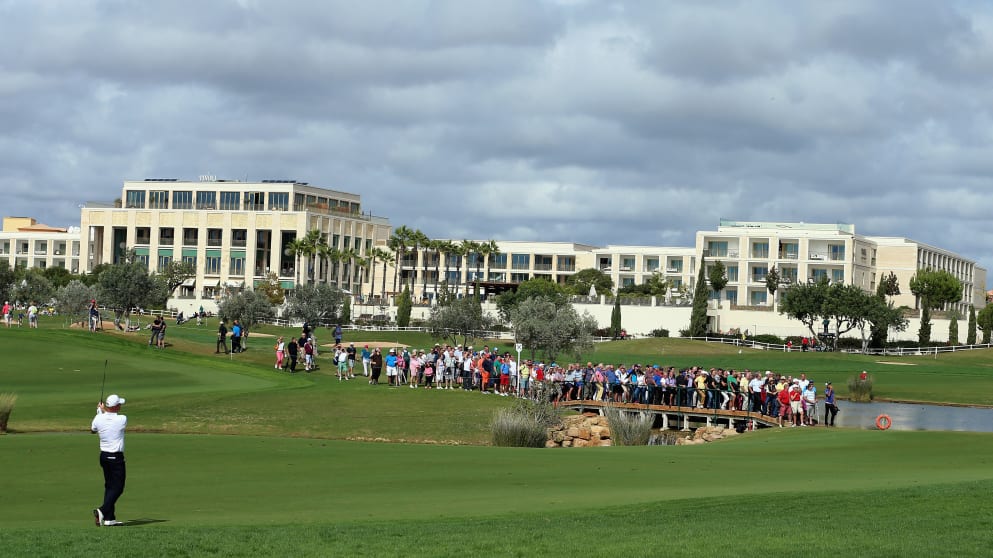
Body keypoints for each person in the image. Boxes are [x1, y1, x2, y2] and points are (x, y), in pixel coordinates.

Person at [91, 394, 127, 527]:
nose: (121, 406)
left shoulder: (98, 418)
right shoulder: (122, 419)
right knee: (118, 488)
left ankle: (109, 519)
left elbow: (93, 430)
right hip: (116, 458)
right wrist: (103, 411)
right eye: (120, 404)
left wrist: (100, 412)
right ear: (116, 406)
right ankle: (102, 510)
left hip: (104, 457)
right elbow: (111, 418)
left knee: (109, 486)